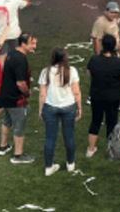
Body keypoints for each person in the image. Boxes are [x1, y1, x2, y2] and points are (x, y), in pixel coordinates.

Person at [38, 47, 81, 176]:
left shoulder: (46, 72)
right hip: (69, 106)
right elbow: (77, 92)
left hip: (50, 107)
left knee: (50, 137)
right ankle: (70, 164)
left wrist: (41, 109)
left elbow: (42, 94)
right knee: (69, 135)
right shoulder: (72, 71)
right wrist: (79, 108)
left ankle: (49, 166)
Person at [0, 32, 38, 163]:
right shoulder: (20, 59)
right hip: (15, 98)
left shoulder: (12, 54)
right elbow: (20, 83)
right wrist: (27, 93)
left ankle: (3, 146)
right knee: (20, 125)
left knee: (7, 120)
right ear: (23, 44)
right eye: (32, 44)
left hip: (5, 95)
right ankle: (18, 155)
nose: (34, 47)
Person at [86, 34, 120, 157]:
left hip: (96, 96)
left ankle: (91, 149)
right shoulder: (118, 62)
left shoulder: (94, 60)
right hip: (113, 97)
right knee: (111, 122)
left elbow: (88, 74)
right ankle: (111, 149)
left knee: (95, 121)